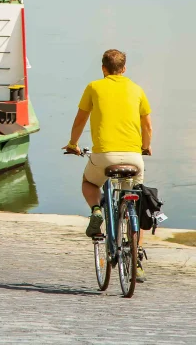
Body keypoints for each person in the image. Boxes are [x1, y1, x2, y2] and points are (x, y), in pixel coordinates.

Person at [63, 49, 152, 281]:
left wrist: (73, 144)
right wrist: (145, 147)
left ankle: (95, 211)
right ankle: (136, 255)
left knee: (89, 182)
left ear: (103, 68)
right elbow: (148, 127)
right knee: (139, 201)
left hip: (104, 156)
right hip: (134, 157)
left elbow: (80, 119)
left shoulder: (94, 87)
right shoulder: (137, 89)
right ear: (124, 69)